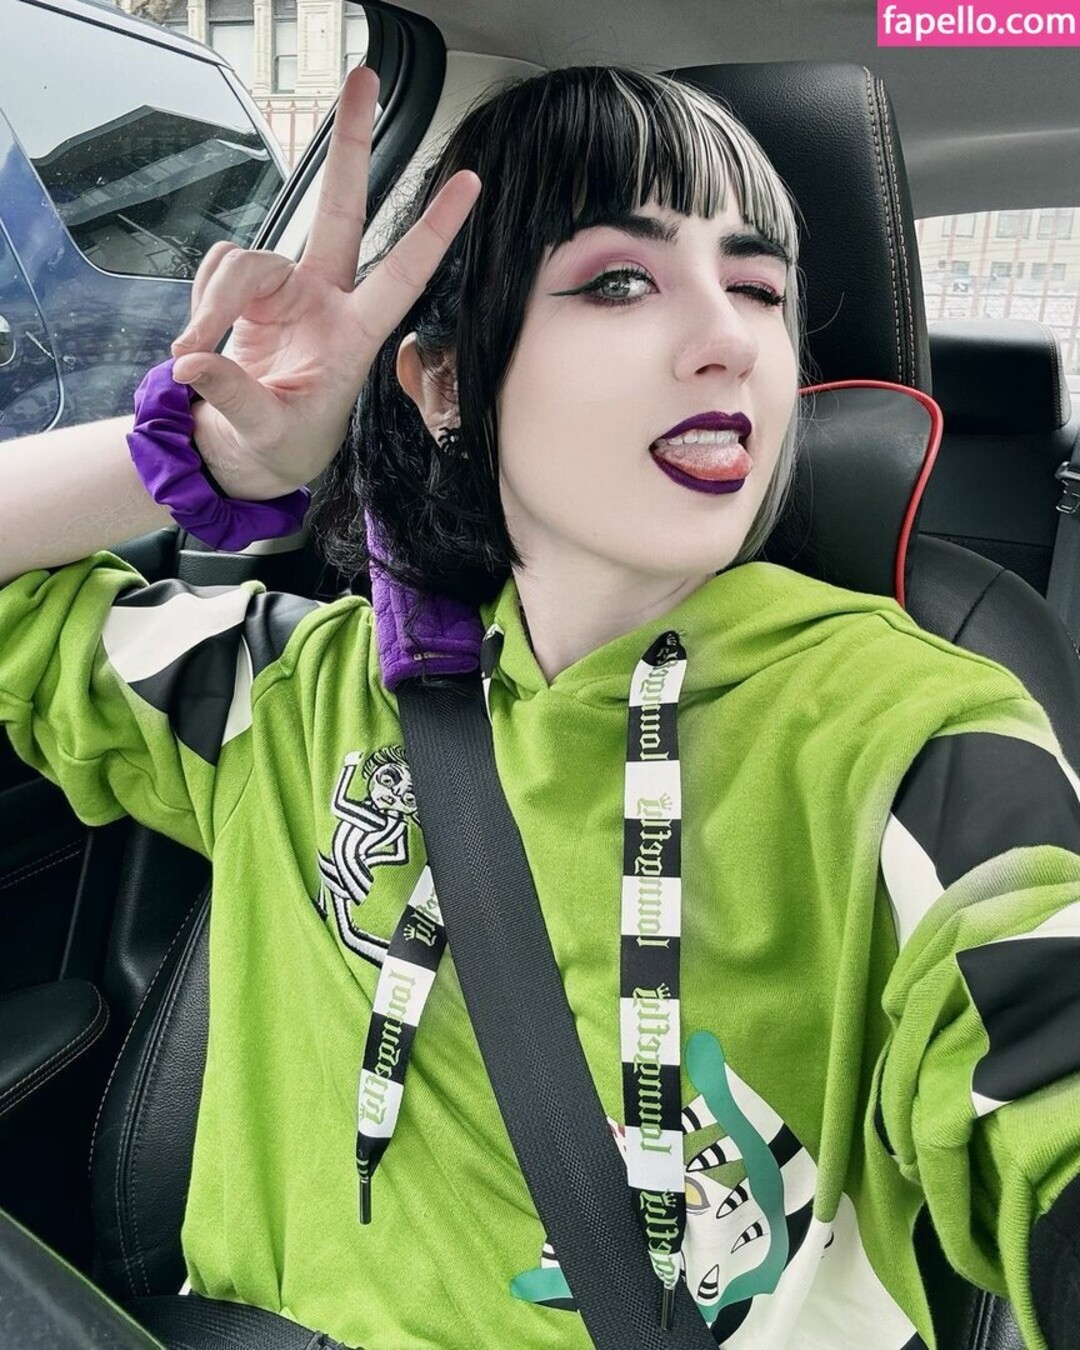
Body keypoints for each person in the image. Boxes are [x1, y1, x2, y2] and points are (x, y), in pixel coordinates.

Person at [1, 62, 1079, 1350]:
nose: (730, 340)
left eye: (758, 289)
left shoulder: (914, 739)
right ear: (445, 386)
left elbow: (1044, 1050)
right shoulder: (298, 692)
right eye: (618, 281)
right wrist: (203, 458)